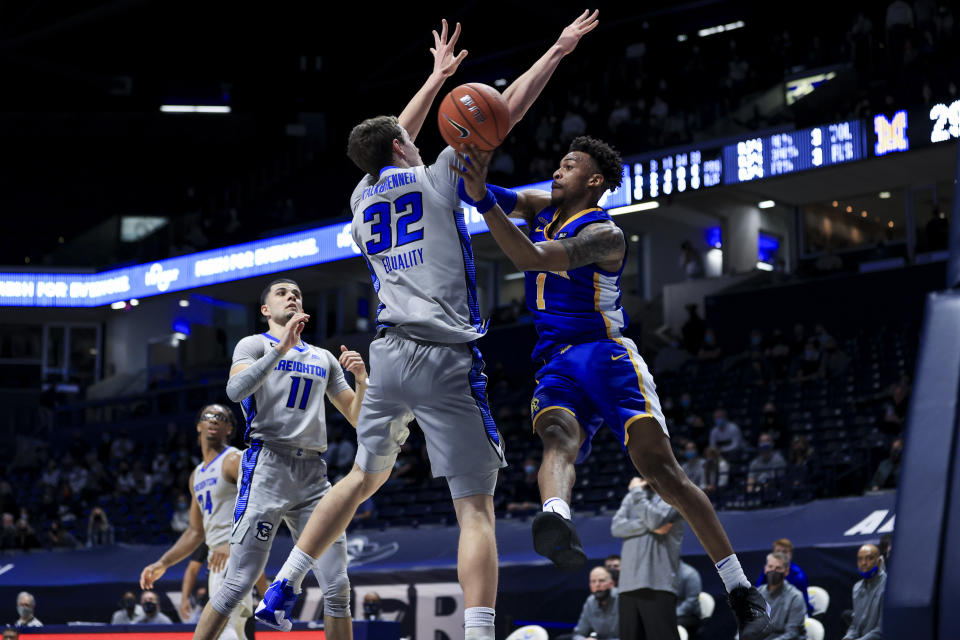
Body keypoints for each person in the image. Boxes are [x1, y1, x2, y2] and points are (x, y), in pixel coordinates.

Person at [253, 13, 602, 640]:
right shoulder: (438, 176)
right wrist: (557, 49)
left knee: (363, 477)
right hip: (444, 358)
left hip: (386, 357)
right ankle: (477, 634)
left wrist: (435, 76)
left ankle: (280, 589)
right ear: (402, 149)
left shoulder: (361, 204)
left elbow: (388, 140)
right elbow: (506, 110)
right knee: (475, 511)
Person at [456, 134, 770, 637]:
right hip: (556, 360)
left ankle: (740, 590)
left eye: (569, 165)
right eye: (558, 164)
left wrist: (484, 199)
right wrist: (472, 176)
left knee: (662, 471)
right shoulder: (542, 205)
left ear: (594, 180)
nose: (557, 172)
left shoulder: (606, 235)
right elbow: (489, 195)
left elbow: (533, 258)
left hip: (606, 353)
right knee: (557, 437)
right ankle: (556, 516)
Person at [188, 284, 369, 640]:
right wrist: (281, 349)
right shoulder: (253, 345)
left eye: (298, 293)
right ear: (265, 310)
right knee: (238, 582)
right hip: (267, 465)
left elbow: (358, 418)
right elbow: (234, 391)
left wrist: (362, 382)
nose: (292, 296)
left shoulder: (324, 357)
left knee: (337, 586)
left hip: (314, 474)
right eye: (282, 293)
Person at [141, 405, 268, 640]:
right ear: (198, 426)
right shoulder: (196, 475)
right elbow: (194, 531)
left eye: (221, 417)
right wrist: (163, 563)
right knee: (234, 630)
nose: (213, 420)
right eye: (207, 416)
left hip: (233, 555)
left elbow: (262, 505)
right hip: (217, 560)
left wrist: (232, 544)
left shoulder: (234, 459)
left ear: (229, 428)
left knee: (220, 629)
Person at [610, 477, 684, 640]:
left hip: (658, 584)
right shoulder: (632, 497)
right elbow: (616, 527)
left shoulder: (673, 496)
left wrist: (636, 493)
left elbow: (655, 520)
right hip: (627, 585)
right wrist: (648, 527)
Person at [756, 552, 806, 640]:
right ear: (765, 568)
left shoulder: (795, 597)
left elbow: (792, 633)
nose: (773, 571)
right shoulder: (758, 593)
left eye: (778, 568)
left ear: (786, 571)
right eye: (770, 567)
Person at [756, 538, 812, 614]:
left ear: (791, 555)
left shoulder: (798, 576)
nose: (781, 554)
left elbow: (800, 606)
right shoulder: (766, 570)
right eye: (778, 551)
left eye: (785, 552)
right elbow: (758, 595)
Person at [842, 544, 886, 640]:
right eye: (860, 559)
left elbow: (882, 629)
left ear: (879, 561)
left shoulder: (888, 586)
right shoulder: (857, 588)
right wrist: (848, 637)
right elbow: (855, 625)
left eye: (869, 558)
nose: (864, 563)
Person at [572, 566, 619, 640]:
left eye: (601, 581)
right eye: (593, 581)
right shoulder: (590, 602)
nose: (597, 585)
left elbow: (631, 636)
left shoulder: (622, 599)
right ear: (590, 585)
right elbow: (578, 634)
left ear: (611, 584)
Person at [675, 561, 702, 637]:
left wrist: (673, 614)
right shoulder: (663, 574)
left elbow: (692, 601)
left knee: (667, 625)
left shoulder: (690, 574)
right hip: (669, 614)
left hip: (688, 615)